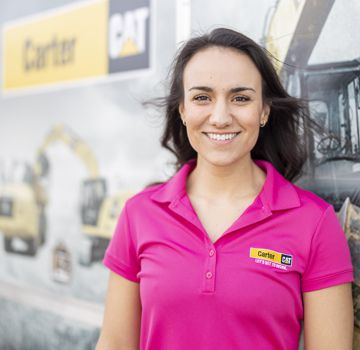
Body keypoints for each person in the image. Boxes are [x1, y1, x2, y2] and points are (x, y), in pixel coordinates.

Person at [96, 28, 354, 350]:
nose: (220, 117)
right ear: (183, 110)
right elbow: (116, 344)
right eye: (202, 97)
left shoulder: (314, 222)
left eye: (241, 98)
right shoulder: (140, 214)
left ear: (263, 111)